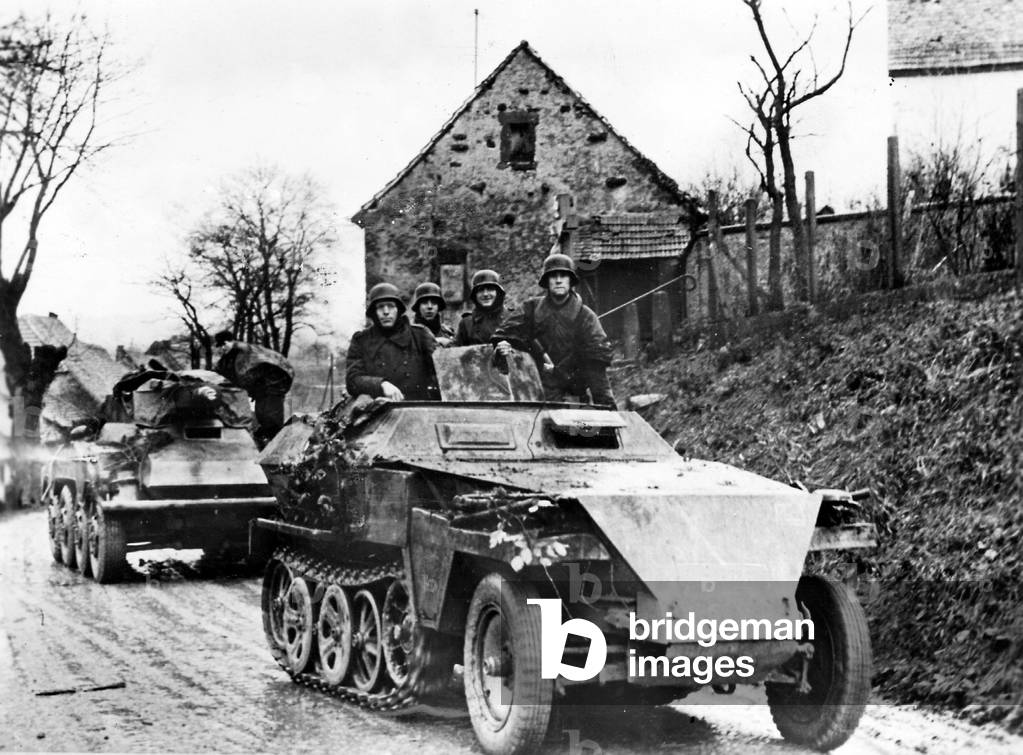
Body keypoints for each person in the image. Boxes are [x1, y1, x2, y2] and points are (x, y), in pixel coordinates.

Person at [493, 254, 615, 407]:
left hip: (572, 395)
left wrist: (607, 409)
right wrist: (504, 343)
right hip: (534, 394)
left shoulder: (585, 316)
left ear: (571, 281)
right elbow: (504, 332)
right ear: (546, 281)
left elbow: (597, 366)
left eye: (563, 276)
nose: (558, 280)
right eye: (553, 276)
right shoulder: (531, 308)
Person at [346, 282, 438, 401]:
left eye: (390, 306)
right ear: (374, 312)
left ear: (398, 310)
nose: (386, 312)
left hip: (416, 408)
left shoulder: (420, 335)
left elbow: (440, 373)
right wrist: (381, 385)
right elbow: (353, 379)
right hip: (379, 411)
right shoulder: (362, 340)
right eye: (380, 307)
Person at [212, 331, 294, 445]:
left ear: (229, 342)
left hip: (274, 383)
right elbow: (222, 371)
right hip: (263, 387)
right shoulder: (231, 356)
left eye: (223, 344)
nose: (222, 348)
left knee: (270, 417)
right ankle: (267, 441)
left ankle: (275, 446)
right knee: (262, 414)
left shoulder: (244, 353)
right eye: (220, 346)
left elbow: (242, 376)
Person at [455, 269, 510, 346]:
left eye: (490, 289)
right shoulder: (466, 323)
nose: (485, 294)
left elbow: (526, 352)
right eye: (480, 290)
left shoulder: (512, 318)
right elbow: (457, 352)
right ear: (475, 295)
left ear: (498, 293)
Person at [410, 281, 454, 346]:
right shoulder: (408, 333)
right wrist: (435, 341)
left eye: (434, 303)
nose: (430, 306)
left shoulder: (447, 333)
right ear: (418, 307)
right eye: (425, 303)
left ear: (438, 306)